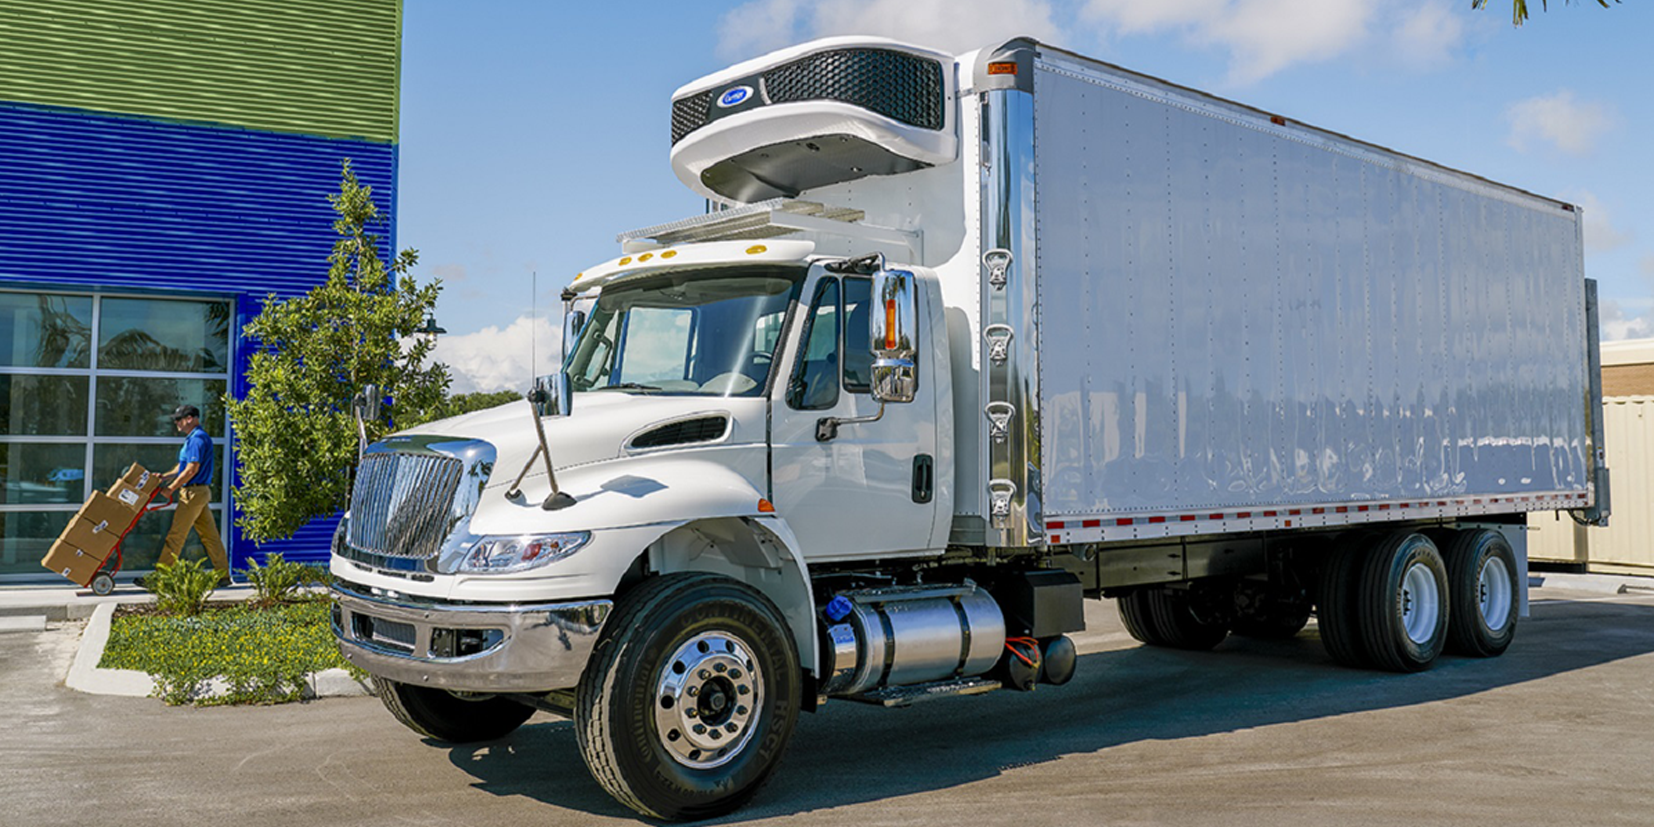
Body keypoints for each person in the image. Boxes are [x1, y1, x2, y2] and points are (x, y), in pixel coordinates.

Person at [138, 404, 230, 589]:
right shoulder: (193, 439)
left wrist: (170, 488)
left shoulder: (197, 439)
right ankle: (223, 575)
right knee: (210, 536)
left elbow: (191, 469)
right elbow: (182, 467)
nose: (176, 423)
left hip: (193, 493)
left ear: (190, 418)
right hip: (198, 492)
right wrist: (164, 476)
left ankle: (160, 577)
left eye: (178, 419)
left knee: (176, 535)